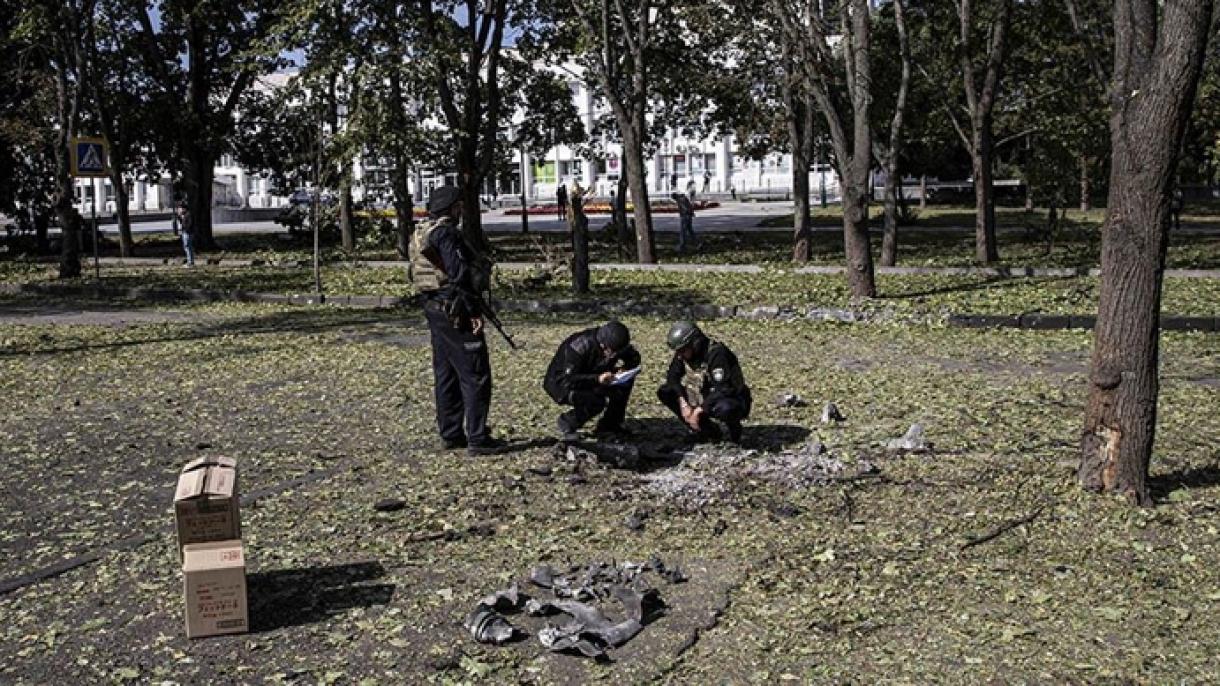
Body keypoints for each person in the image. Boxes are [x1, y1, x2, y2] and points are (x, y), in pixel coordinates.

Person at [408, 185, 505, 456]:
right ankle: (477, 438)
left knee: (446, 372)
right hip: (454, 309)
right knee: (475, 374)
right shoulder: (446, 234)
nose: (462, 211)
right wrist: (473, 312)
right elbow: (459, 274)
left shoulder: (421, 232)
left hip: (433, 306)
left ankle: (451, 433)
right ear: (452, 208)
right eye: (459, 206)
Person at [544, 320, 641, 442]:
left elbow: (634, 358)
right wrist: (597, 379)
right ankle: (568, 422)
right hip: (562, 384)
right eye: (611, 352)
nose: (614, 356)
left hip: (596, 375)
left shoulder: (617, 345)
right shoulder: (579, 346)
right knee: (596, 402)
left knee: (624, 384)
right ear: (603, 345)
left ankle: (610, 425)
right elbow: (569, 380)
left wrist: (624, 369)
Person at [657, 321, 751, 444]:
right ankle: (708, 431)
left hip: (728, 397)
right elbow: (672, 378)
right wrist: (683, 403)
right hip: (702, 394)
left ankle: (734, 430)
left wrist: (697, 411)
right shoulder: (684, 353)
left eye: (682, 351)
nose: (679, 356)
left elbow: (724, 388)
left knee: (726, 408)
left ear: (695, 343)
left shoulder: (717, 353)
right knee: (666, 391)